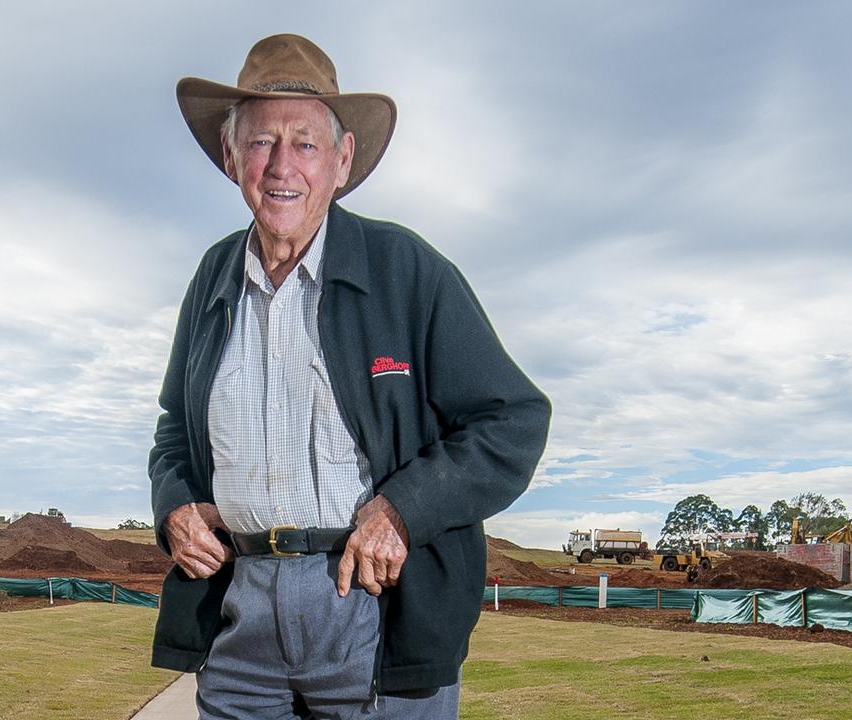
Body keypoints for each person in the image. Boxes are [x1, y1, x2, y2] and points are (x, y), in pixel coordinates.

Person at [149, 34, 551, 719]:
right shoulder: (211, 279)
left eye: (305, 142)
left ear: (341, 160)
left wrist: (401, 511)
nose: (282, 165)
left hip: (372, 608)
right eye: (260, 141)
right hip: (240, 614)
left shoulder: (407, 270)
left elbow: (511, 420)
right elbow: (172, 435)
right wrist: (174, 507)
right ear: (229, 156)